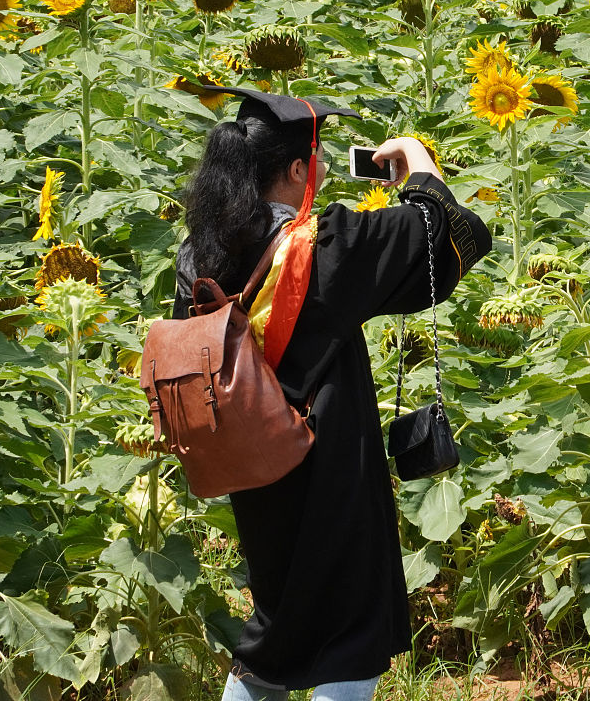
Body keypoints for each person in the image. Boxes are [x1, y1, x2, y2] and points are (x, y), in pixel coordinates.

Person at [172, 85, 491, 701]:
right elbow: (439, 238)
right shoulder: (322, 246)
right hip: (327, 466)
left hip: (252, 466)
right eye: (311, 162)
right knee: (350, 634)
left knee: (279, 626)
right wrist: (419, 166)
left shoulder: (197, 253)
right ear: (296, 168)